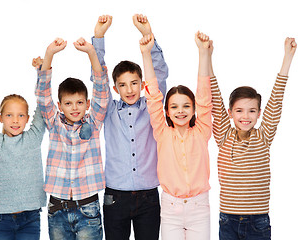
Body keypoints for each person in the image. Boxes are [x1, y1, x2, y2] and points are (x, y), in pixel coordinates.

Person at [209, 37, 297, 239]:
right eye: (239, 110)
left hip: (258, 220)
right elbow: (215, 95)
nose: (245, 116)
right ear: (230, 113)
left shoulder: (263, 136)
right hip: (228, 219)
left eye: (251, 111)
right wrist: (208, 57)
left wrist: (287, 58)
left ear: (259, 113)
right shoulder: (224, 136)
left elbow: (276, 100)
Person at [91, 14, 169, 239]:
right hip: (115, 196)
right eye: (123, 85)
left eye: (134, 83)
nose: (129, 89)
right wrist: (99, 37)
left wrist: (147, 35)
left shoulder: (150, 106)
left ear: (142, 84)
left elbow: (160, 74)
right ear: (115, 89)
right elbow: (98, 78)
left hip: (148, 196)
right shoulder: (108, 110)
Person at [34, 37, 109, 240]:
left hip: (88, 208)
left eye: (79, 102)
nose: (74, 107)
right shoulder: (54, 124)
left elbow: (102, 93)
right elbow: (43, 96)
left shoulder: (93, 123)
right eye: (68, 103)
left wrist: (91, 53)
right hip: (57, 208)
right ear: (60, 105)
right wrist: (49, 54)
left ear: (87, 103)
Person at [143, 32, 213, 240]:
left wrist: (203, 53)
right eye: (174, 106)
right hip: (170, 206)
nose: (180, 111)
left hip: (199, 206)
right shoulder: (162, 133)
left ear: (193, 110)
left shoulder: (202, 131)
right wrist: (146, 54)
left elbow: (204, 97)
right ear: (166, 111)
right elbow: (153, 97)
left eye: (186, 106)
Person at [0, 54, 47, 240]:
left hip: (30, 218)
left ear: (28, 119)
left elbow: (43, 105)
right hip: (1, 220)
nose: (15, 120)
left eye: (21, 115)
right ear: (1, 118)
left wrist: (41, 74)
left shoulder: (33, 138)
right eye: (10, 115)